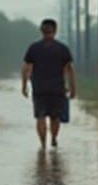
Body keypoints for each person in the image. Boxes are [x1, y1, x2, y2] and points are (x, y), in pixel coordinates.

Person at [21, 19, 76, 148]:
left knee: (40, 117)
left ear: (41, 31)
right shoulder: (62, 49)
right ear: (55, 31)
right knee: (55, 117)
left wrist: (24, 86)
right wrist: (73, 88)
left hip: (39, 89)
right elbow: (69, 70)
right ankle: (53, 138)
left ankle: (43, 143)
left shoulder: (34, 48)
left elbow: (26, 68)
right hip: (57, 89)